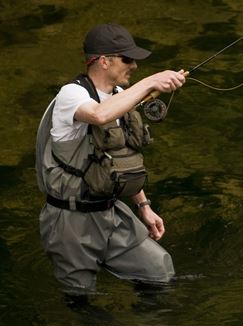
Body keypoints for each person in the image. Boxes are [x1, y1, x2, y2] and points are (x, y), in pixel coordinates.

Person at [35, 23, 186, 301]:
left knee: (159, 271)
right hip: (70, 220)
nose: (135, 66)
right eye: (127, 59)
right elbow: (99, 115)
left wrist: (143, 206)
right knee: (80, 298)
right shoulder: (72, 94)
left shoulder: (119, 98)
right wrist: (151, 82)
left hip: (111, 212)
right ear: (104, 61)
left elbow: (120, 158)